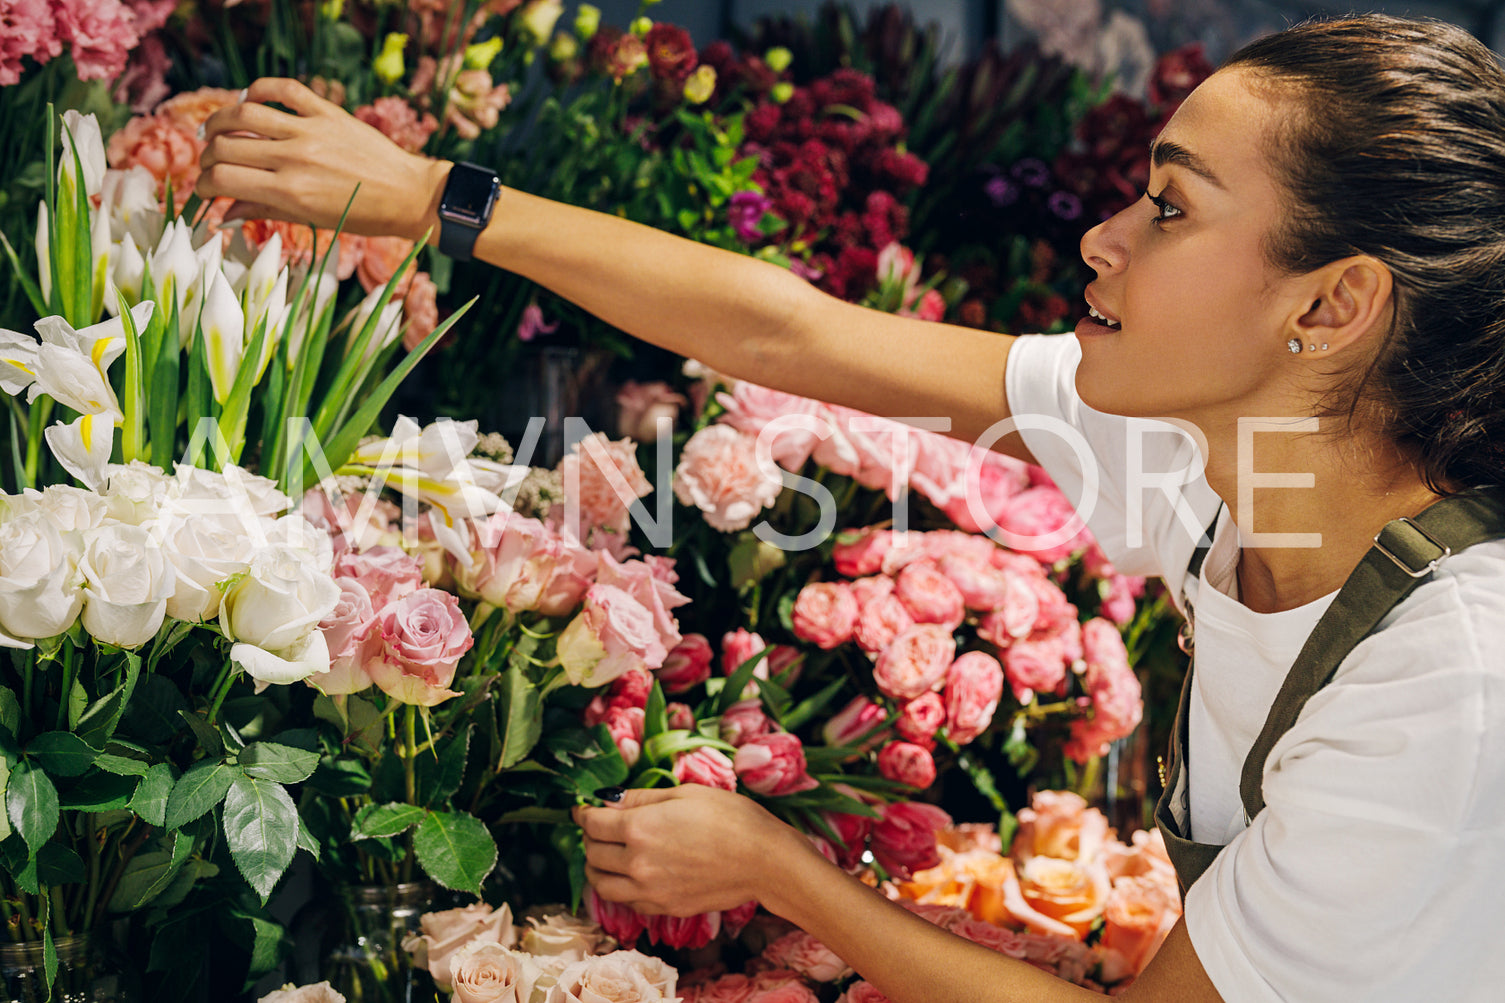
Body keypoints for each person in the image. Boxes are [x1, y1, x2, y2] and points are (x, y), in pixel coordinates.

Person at [196, 13, 1505, 1001]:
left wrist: (777, 869)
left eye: (1169, 208)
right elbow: (800, 336)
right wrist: (429, 196)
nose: (1103, 237)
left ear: (1326, 309)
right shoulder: (1210, 458)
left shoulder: (1446, 682)